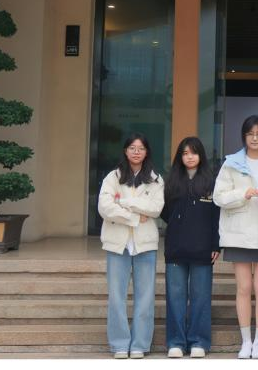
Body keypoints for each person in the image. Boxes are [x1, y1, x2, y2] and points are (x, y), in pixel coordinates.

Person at [213, 115, 258, 359]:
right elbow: (218, 196)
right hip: (239, 233)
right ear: (244, 136)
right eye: (250, 134)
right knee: (243, 287)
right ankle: (245, 342)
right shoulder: (231, 163)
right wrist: (244, 193)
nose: (254, 138)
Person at [97, 133, 165, 359]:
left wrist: (124, 202)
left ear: (147, 152)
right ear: (125, 151)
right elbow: (105, 208)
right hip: (117, 244)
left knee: (145, 298)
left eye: (141, 148)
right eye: (132, 148)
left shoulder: (155, 179)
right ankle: (119, 344)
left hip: (145, 244)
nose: (137, 152)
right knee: (116, 297)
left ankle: (139, 344)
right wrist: (135, 216)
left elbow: (155, 208)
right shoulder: (113, 177)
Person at [161, 137, 220, 359]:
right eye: (185, 153)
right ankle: (175, 341)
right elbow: (165, 213)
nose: (189, 157)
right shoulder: (171, 181)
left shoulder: (211, 182)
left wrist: (215, 244)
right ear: (180, 157)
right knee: (175, 297)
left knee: (200, 297)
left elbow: (216, 217)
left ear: (200, 155)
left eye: (193, 153)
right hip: (176, 247)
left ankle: (199, 341)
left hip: (203, 248)